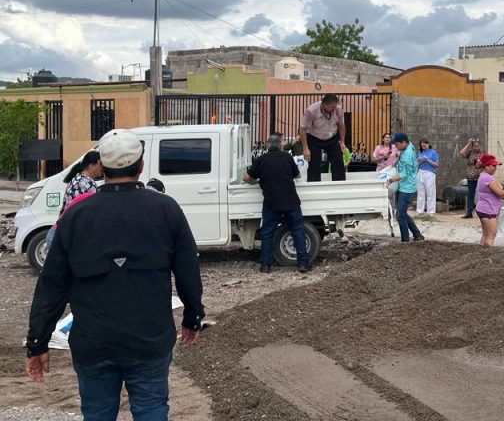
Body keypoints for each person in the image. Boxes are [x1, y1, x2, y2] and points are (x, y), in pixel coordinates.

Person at [25, 129, 204, 421]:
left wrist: (37, 343)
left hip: (94, 341)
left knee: (97, 412)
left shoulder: (76, 215)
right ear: (141, 166)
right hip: (149, 339)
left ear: (102, 167)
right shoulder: (165, 208)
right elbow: (188, 271)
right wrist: (192, 317)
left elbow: (52, 285)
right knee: (151, 408)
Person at [244, 133, 310, 273]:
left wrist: (256, 182)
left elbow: (246, 178)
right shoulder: (287, 157)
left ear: (268, 145)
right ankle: (303, 264)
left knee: (267, 233)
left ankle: (265, 265)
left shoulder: (262, 159)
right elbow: (297, 175)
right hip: (290, 201)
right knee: (298, 231)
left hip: (271, 202)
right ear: (280, 145)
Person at [386, 133, 425, 243]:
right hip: (404, 186)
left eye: (397, 144)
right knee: (402, 213)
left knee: (400, 215)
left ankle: (405, 240)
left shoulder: (408, 154)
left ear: (404, 142)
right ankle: (417, 235)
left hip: (407, 188)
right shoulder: (408, 146)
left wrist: (392, 179)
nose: (396, 147)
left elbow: (405, 173)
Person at [300, 93, 347, 182]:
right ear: (324, 104)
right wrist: (305, 148)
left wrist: (342, 142)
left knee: (338, 162)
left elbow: (341, 126)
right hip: (314, 138)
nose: (334, 109)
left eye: (335, 106)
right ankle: (314, 186)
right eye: (332, 107)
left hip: (332, 138)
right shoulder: (311, 111)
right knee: (314, 165)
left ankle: (339, 185)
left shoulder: (338, 109)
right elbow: (302, 129)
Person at [474, 153, 504, 246]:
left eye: (495, 166)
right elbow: (499, 192)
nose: (495, 168)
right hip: (488, 210)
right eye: (493, 166)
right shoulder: (487, 177)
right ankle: (487, 253)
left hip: (484, 208)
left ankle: (481, 252)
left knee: (486, 234)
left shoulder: (484, 175)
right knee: (491, 235)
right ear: (486, 166)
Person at [460, 138, 485, 218]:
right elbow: (461, 153)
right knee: (470, 195)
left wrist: (481, 164)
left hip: (480, 178)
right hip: (471, 178)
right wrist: (469, 143)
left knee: (481, 195)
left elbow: (487, 165)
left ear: (480, 146)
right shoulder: (470, 153)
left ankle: (483, 212)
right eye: (475, 146)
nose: (476, 148)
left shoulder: (483, 154)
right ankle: (469, 213)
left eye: (478, 146)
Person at [416, 138, 439, 215]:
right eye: (422, 146)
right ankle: (420, 211)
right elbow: (417, 164)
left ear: (428, 144)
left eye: (424, 146)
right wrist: (421, 161)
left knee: (430, 192)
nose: (423, 147)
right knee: (420, 192)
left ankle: (431, 211)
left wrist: (428, 160)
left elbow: (437, 164)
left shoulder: (433, 152)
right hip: (421, 172)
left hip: (429, 173)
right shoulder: (420, 152)